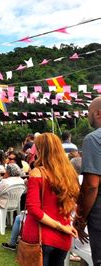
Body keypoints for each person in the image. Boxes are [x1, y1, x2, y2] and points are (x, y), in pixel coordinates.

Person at [21, 133, 79, 265]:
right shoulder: (69, 174)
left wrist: (60, 227)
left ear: (41, 150)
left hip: (40, 236)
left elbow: (33, 209)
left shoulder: (38, 173)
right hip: (62, 237)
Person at [74, 96, 101, 265]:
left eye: (89, 112)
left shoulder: (93, 139)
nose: (87, 116)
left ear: (98, 114)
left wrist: (81, 218)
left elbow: (91, 185)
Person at [0, 164, 24, 228]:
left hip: (3, 203)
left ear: (8, 172)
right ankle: (2, 221)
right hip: (15, 203)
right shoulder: (21, 181)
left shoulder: (5, 181)